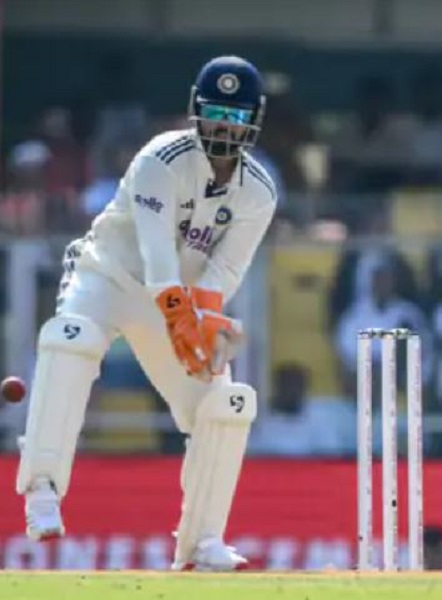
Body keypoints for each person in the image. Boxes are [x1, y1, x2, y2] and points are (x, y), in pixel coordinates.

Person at [15, 55, 277, 571]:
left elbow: (225, 268)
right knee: (71, 337)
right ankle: (42, 489)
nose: (225, 126)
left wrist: (202, 317)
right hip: (108, 276)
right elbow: (157, 255)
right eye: (216, 113)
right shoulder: (161, 158)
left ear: (254, 121)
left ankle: (201, 542)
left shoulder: (259, 192)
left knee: (225, 403)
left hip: (175, 300)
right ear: (197, 111)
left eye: (237, 117)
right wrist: (180, 316)